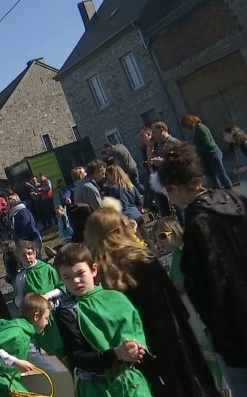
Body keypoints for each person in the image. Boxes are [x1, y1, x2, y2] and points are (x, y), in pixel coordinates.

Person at [84, 206, 220, 397]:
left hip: (135, 349)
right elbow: (171, 301)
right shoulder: (141, 258)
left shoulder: (100, 275)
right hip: (172, 337)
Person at [157, 142, 247, 395]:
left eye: (168, 192)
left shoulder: (198, 223)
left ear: (174, 188)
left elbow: (208, 284)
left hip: (236, 329)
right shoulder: (233, 198)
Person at [53, 243, 152, 397]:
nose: (76, 281)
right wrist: (115, 354)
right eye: (68, 277)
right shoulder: (66, 312)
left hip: (132, 383)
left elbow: (137, 330)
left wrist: (136, 348)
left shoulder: (116, 297)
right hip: (97, 388)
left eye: (80, 273)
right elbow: (78, 357)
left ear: (93, 269)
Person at [153, 217, 225, 390]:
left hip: (202, 316)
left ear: (175, 231)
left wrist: (181, 285)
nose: (159, 242)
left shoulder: (188, 251)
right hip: (191, 317)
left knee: (217, 359)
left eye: (163, 235)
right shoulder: (173, 258)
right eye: (156, 238)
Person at [11, 240, 65, 360]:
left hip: (56, 312)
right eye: (23, 255)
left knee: (64, 342)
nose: (27, 257)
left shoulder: (47, 268)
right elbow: (18, 299)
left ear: (35, 252)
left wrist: (48, 295)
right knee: (50, 349)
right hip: (38, 318)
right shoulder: (20, 278)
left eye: (30, 253)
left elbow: (61, 287)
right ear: (18, 257)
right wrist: (28, 305)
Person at [181, 114, 232, 189]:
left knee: (221, 176)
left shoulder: (201, 128)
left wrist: (197, 150)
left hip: (212, 154)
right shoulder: (197, 129)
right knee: (212, 177)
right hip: (207, 156)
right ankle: (218, 192)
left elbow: (208, 144)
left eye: (186, 125)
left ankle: (230, 192)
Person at [104, 164, 149, 245]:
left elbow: (108, 203)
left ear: (112, 175)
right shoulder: (130, 185)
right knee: (147, 239)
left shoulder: (113, 188)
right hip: (137, 215)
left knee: (137, 243)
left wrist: (105, 187)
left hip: (126, 218)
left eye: (108, 175)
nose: (107, 178)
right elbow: (139, 201)